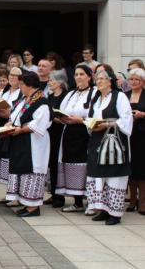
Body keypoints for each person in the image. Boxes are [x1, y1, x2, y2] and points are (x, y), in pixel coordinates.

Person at [86, 70, 133, 225]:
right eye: (97, 79)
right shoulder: (96, 98)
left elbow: (126, 118)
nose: (98, 82)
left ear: (110, 81)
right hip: (97, 140)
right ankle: (103, 209)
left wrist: (108, 124)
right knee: (100, 175)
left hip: (114, 141)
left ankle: (115, 213)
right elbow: (90, 117)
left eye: (101, 79)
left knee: (114, 175)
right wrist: (90, 125)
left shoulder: (119, 96)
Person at [4, 72, 52, 217]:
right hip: (21, 140)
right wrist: (10, 124)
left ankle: (33, 206)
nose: (20, 87)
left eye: (22, 84)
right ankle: (26, 202)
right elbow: (16, 115)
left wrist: (21, 129)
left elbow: (39, 123)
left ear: (30, 85)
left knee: (33, 168)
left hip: (33, 141)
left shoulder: (41, 101)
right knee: (22, 169)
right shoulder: (25, 99)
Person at [55, 65, 95, 213]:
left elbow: (97, 114)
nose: (78, 77)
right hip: (69, 133)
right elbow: (62, 109)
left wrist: (80, 119)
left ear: (89, 76)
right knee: (70, 164)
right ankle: (77, 201)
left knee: (86, 166)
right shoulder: (71, 94)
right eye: (76, 74)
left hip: (85, 133)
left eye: (82, 74)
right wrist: (62, 118)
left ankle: (90, 201)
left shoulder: (95, 93)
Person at [0, 67, 22, 198]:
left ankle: (14, 193)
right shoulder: (5, 91)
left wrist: (10, 113)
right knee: (1, 155)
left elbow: (21, 108)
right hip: (1, 125)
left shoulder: (21, 92)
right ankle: (9, 193)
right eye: (11, 75)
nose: (12, 77)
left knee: (9, 156)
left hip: (12, 126)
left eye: (15, 75)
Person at [43, 70, 69, 208]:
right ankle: (53, 193)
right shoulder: (50, 96)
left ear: (59, 82)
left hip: (61, 132)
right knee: (52, 163)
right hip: (51, 132)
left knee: (58, 163)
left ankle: (60, 196)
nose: (49, 83)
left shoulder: (66, 96)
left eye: (51, 80)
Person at [125, 68, 145, 215]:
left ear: (143, 82)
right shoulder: (124, 96)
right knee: (130, 169)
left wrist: (142, 114)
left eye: (136, 79)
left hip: (143, 136)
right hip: (128, 135)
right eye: (131, 79)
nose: (133, 82)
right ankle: (132, 199)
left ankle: (142, 202)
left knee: (142, 170)